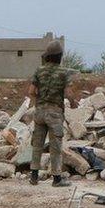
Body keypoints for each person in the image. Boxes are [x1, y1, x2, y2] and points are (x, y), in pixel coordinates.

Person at [29, 40, 73, 187]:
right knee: (55, 146)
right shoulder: (64, 72)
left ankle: (34, 176)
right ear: (60, 56)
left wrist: (41, 101)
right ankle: (56, 179)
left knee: (37, 144)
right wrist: (73, 102)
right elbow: (68, 92)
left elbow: (31, 91)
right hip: (55, 113)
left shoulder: (39, 70)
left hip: (40, 112)